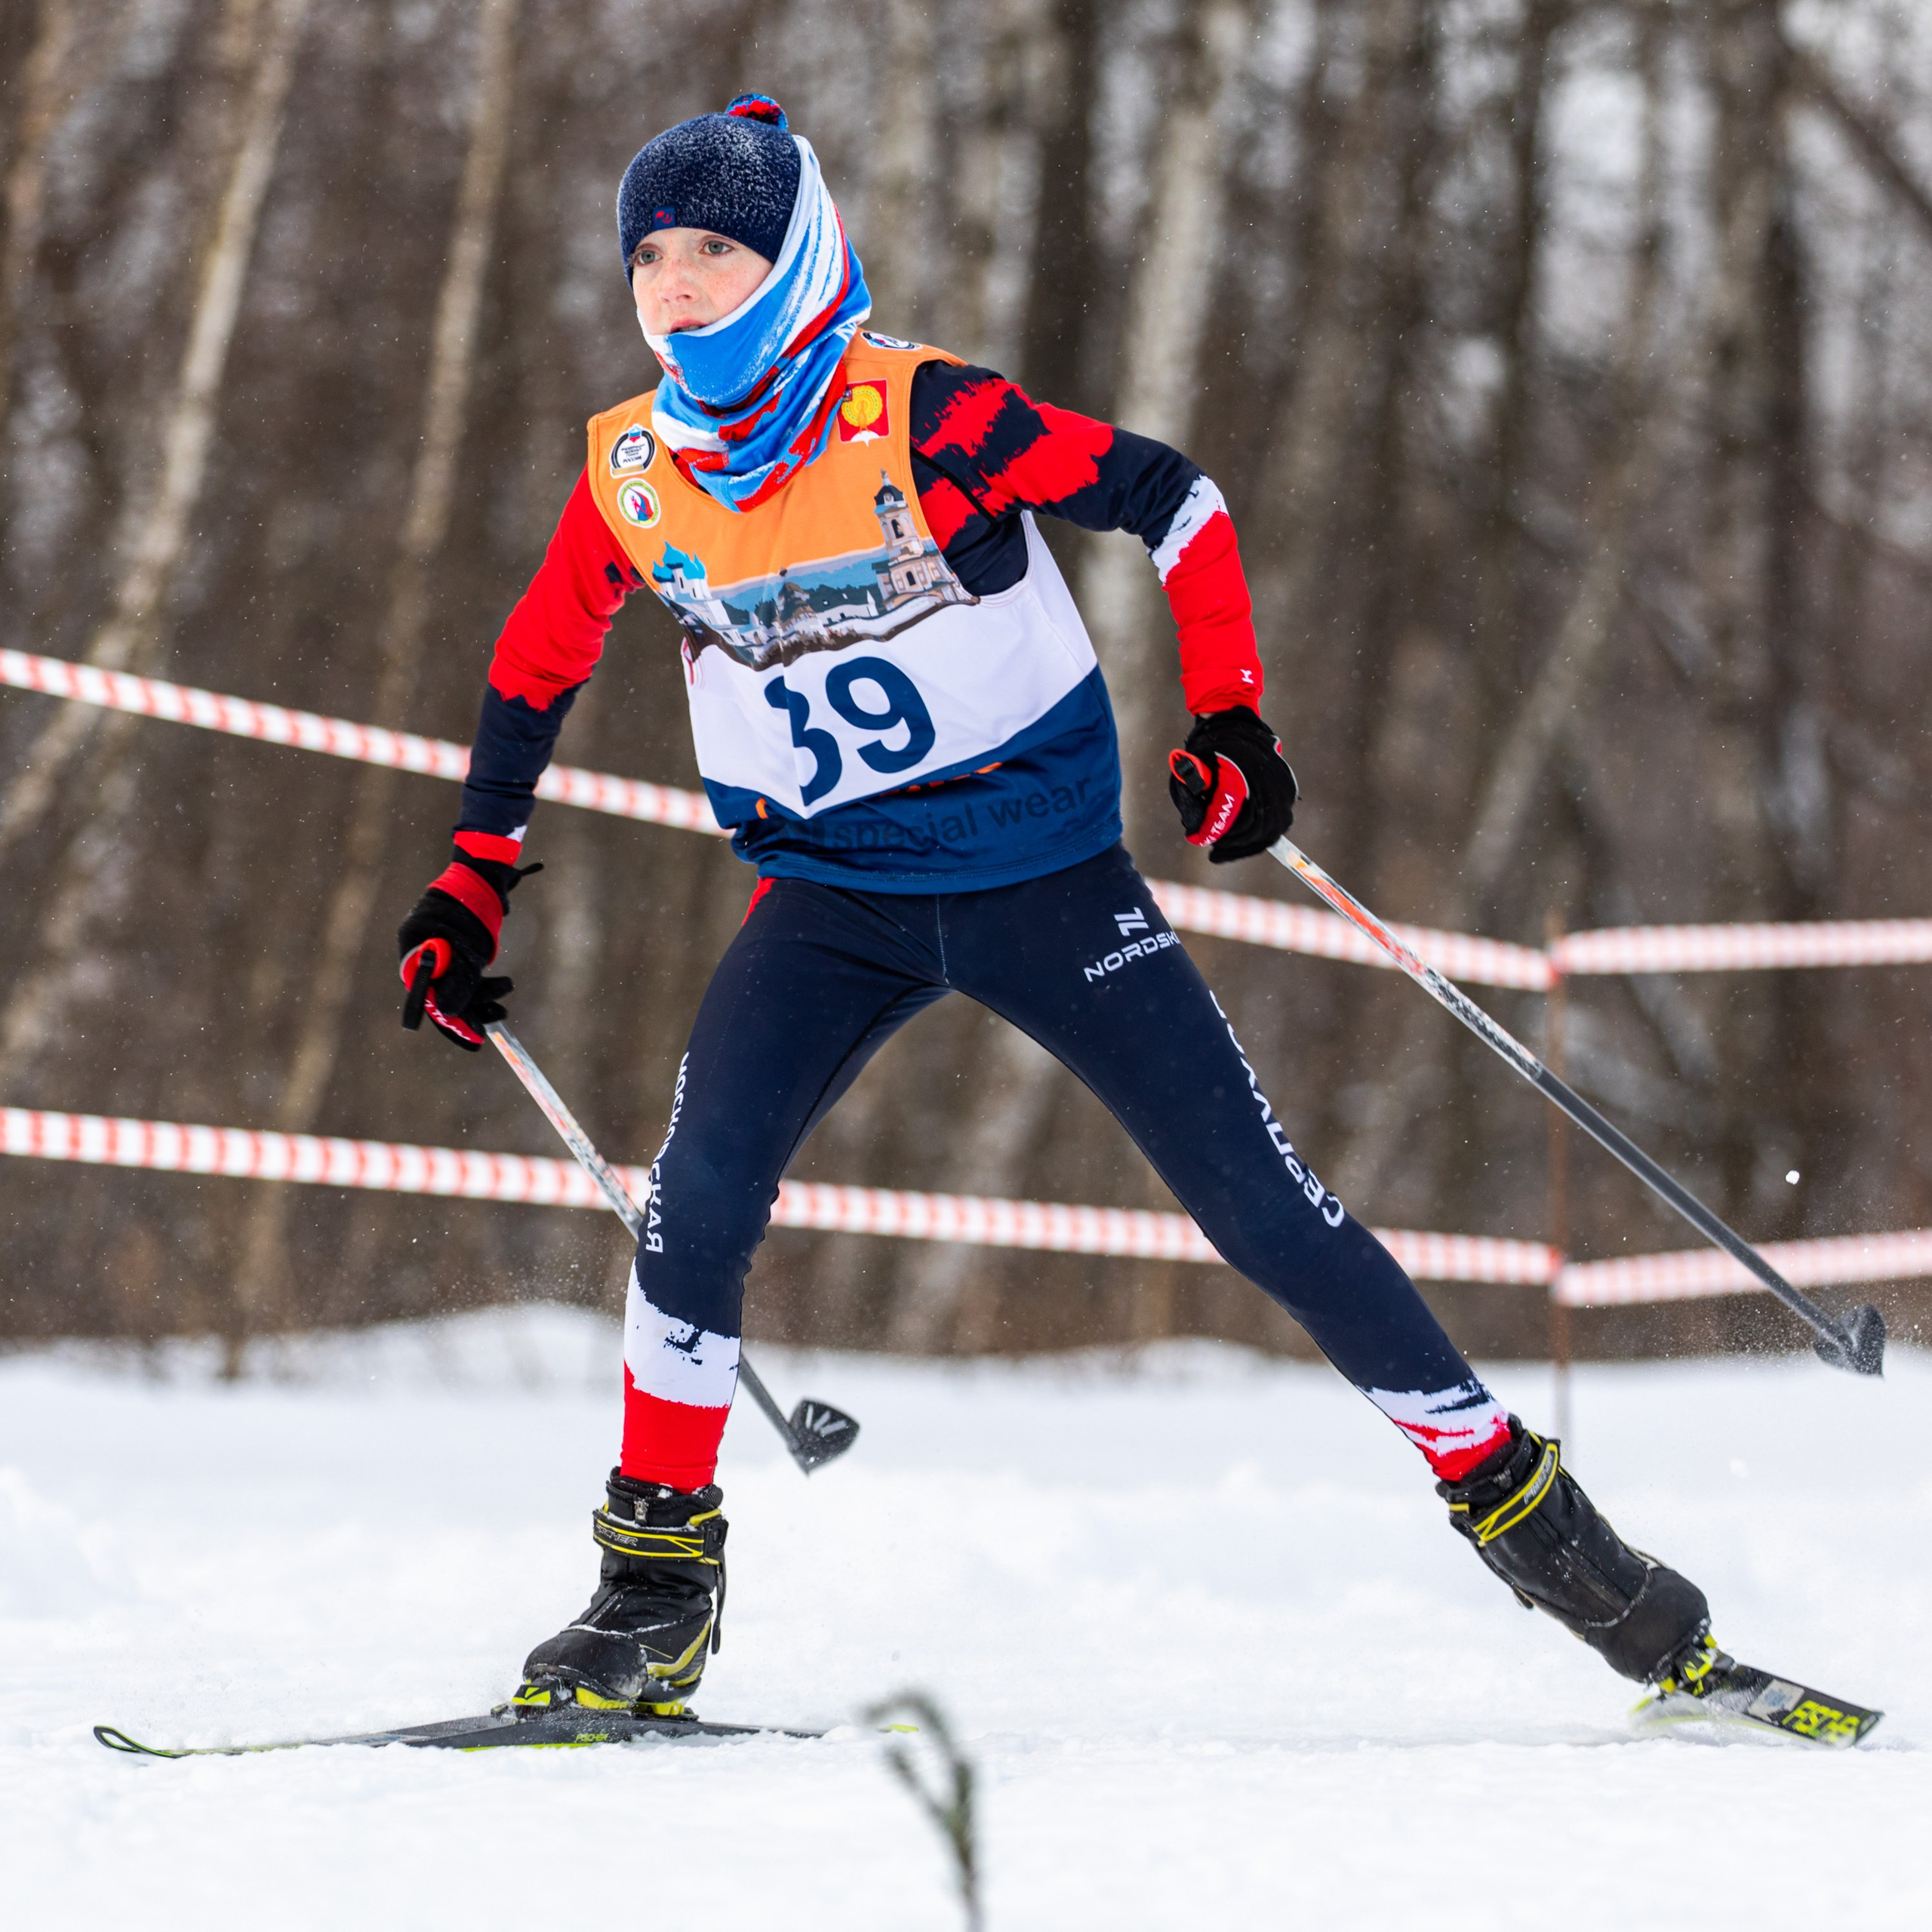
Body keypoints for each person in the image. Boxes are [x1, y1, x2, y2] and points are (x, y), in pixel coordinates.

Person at [396, 95, 1713, 1719]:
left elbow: (1177, 497)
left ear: (792, 253)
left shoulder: (925, 415)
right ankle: (650, 1589)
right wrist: (469, 877)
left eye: (714, 251)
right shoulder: (632, 474)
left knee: (1261, 1211)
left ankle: (1552, 1536)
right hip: (827, 894)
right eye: (648, 257)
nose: (674, 288)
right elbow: (535, 663)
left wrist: (1229, 713)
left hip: (1040, 882)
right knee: (696, 1196)